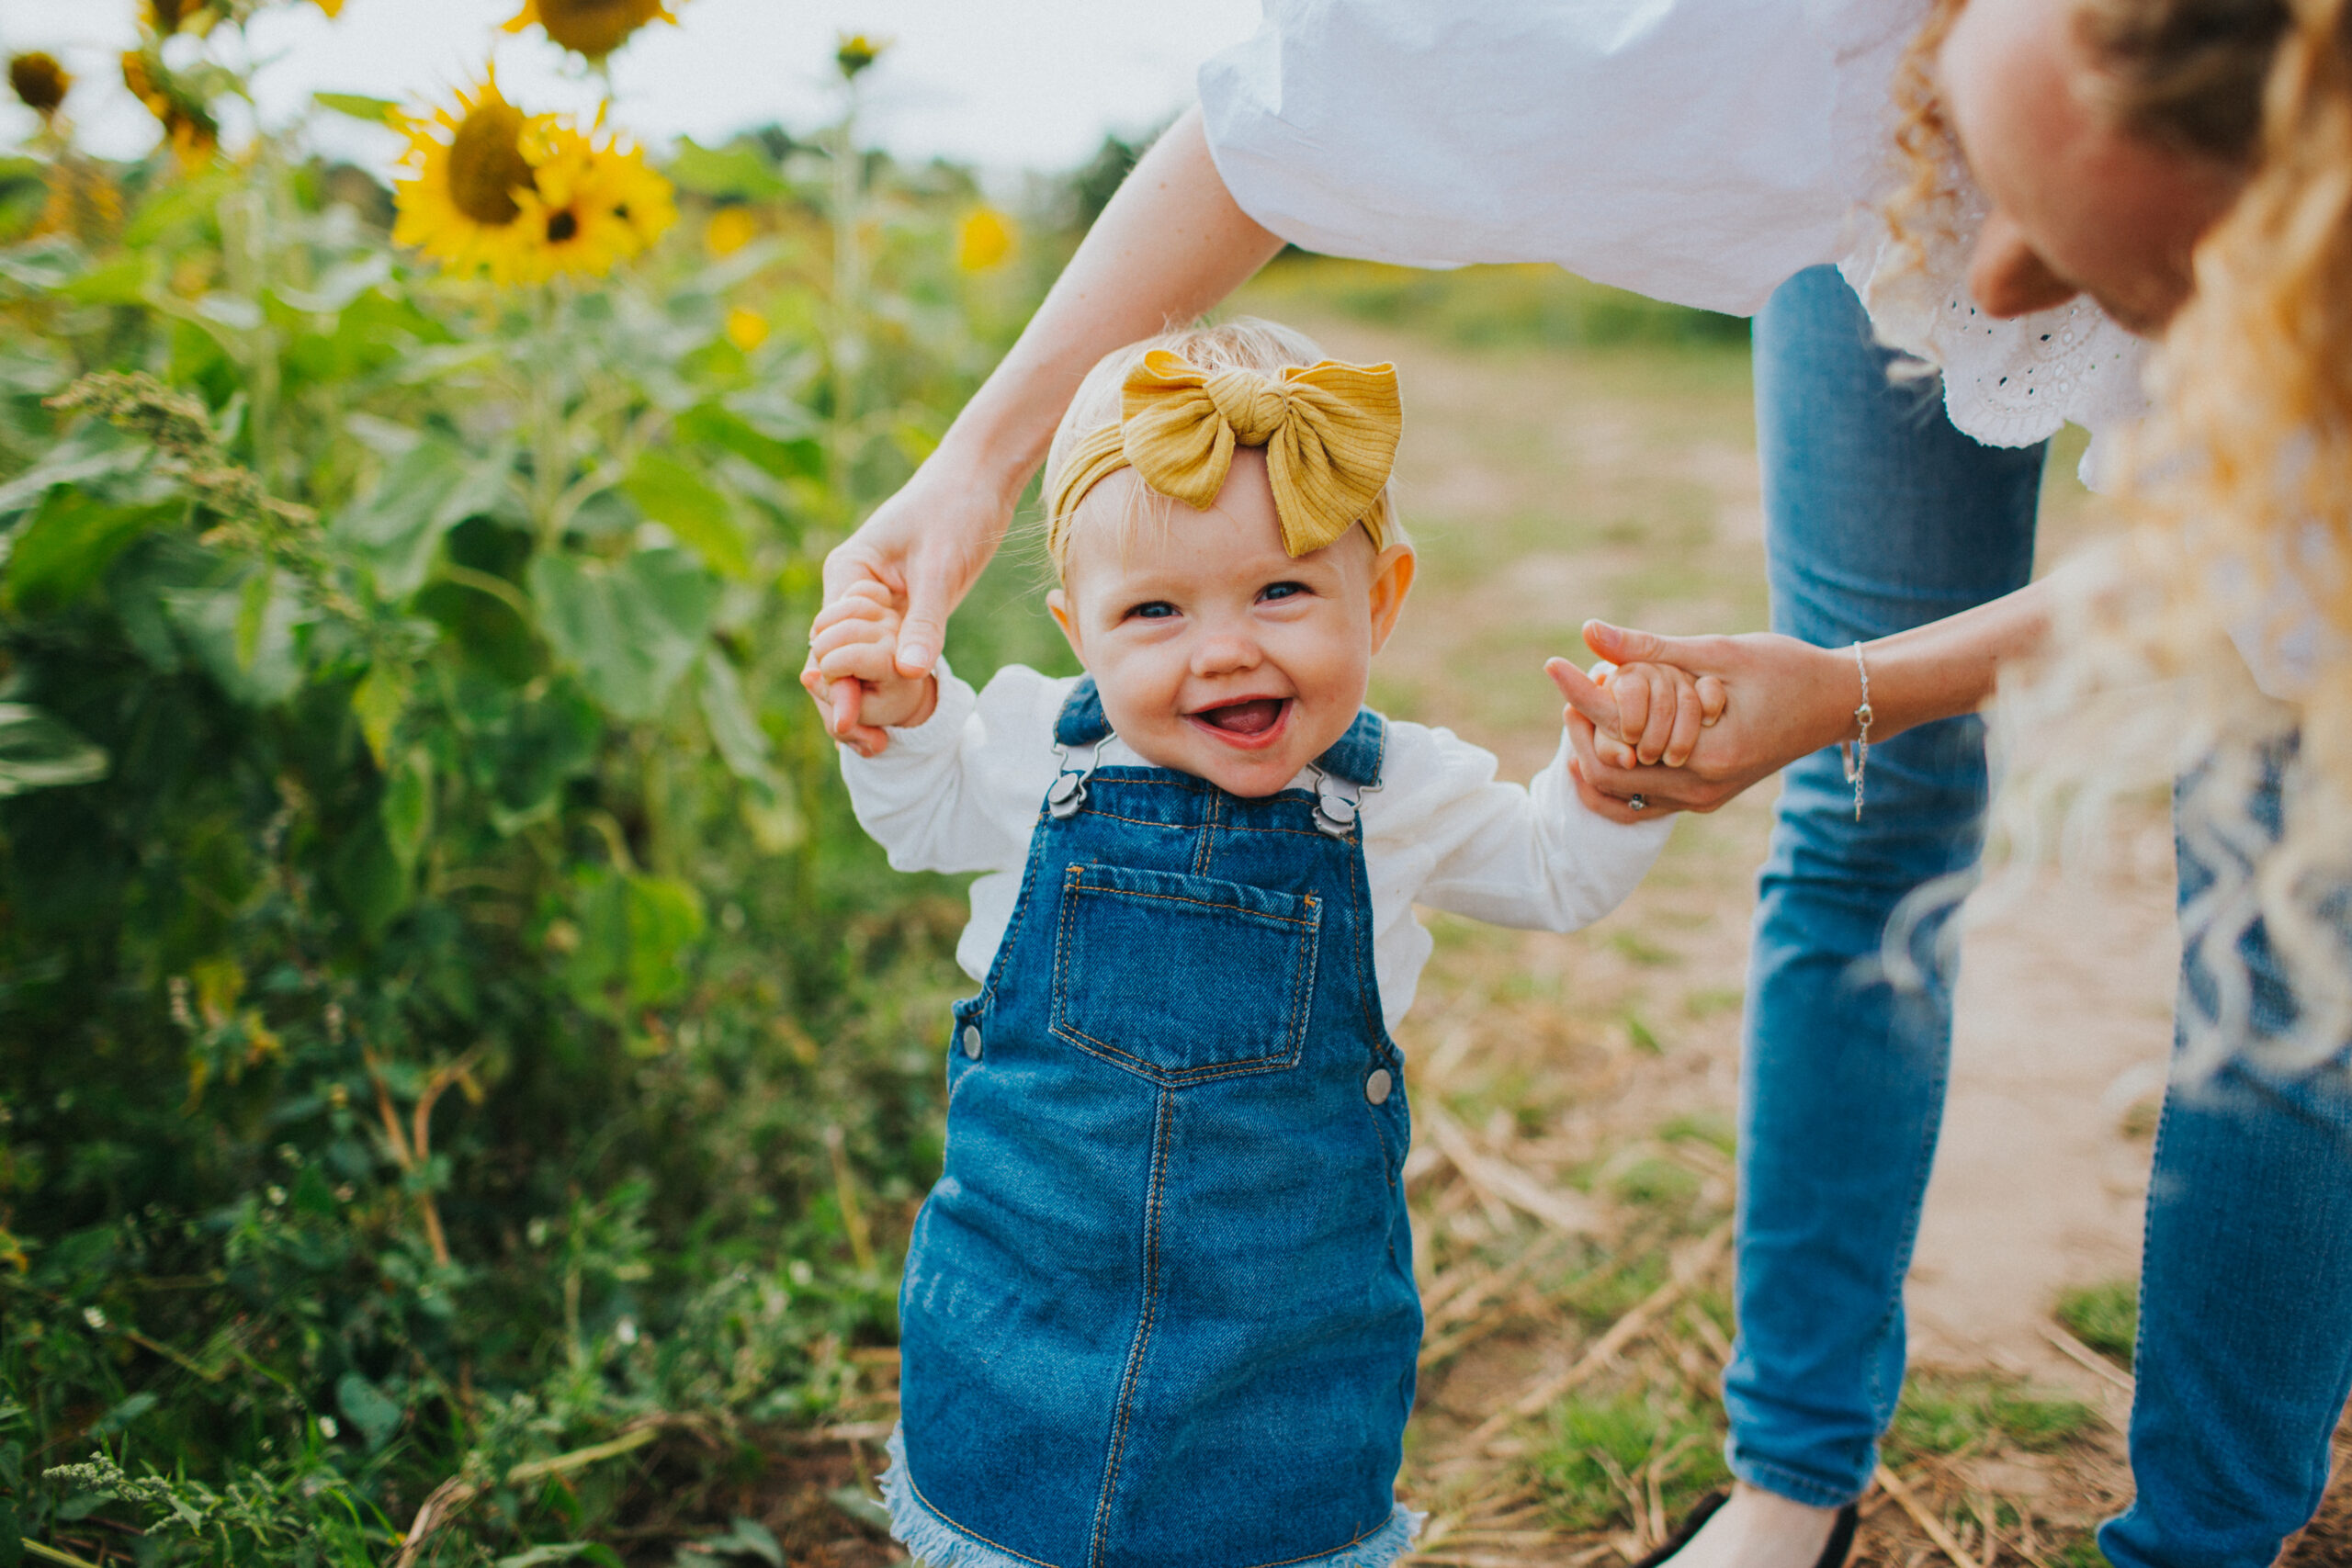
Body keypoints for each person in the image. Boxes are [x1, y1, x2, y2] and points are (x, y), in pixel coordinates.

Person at [802, 320, 1707, 1568]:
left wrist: (1608, 792)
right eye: (1155, 610)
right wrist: (899, 726)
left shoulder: (1400, 796)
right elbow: (918, 818)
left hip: (1280, 1364)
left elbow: (1551, 874)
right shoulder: (1027, 758)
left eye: (1281, 590)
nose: (1225, 647)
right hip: (1023, 1322)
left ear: (1378, 597)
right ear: (1080, 630)